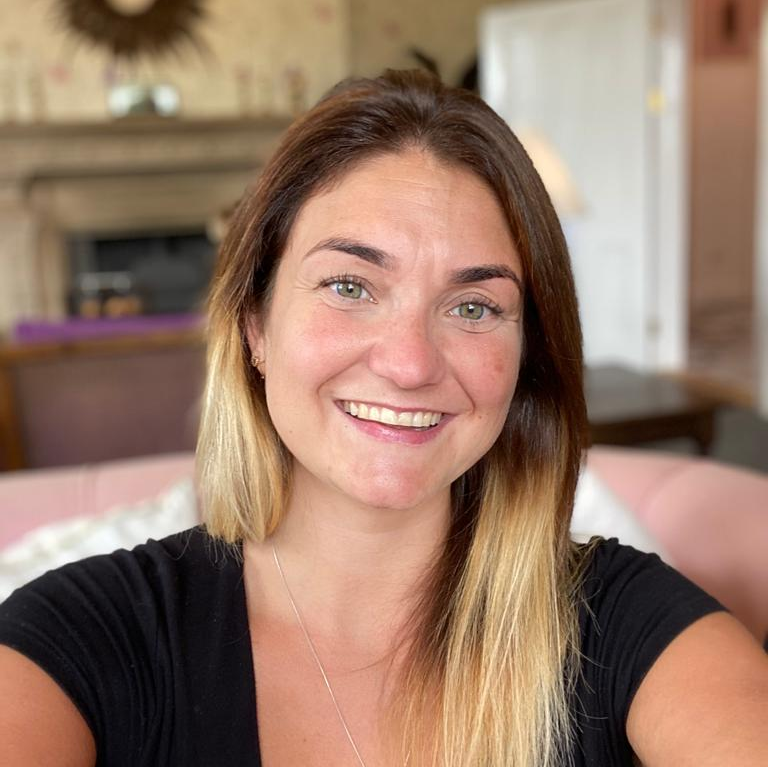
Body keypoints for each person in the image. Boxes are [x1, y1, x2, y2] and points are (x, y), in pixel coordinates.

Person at [1, 69, 766, 767]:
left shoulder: (632, 626)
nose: (409, 363)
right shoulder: (78, 639)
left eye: (474, 306)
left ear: (527, 355)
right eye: (350, 286)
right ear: (255, 324)